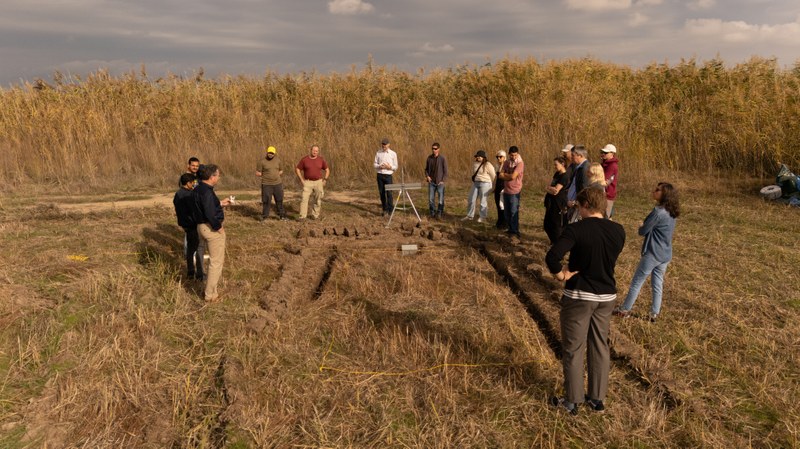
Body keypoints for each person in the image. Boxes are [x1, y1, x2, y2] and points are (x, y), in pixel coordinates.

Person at [545, 187, 626, 415]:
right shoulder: (618, 231)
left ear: (586, 205)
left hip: (580, 296)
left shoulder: (575, 230)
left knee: (573, 348)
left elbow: (552, 257)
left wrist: (561, 274)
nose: (578, 211)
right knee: (600, 346)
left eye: (579, 207)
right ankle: (597, 399)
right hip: (607, 297)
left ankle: (572, 401)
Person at [614, 182, 680, 322]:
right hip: (666, 254)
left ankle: (624, 309)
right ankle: (654, 313)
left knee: (637, 282)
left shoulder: (658, 212)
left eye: (657, 190)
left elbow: (643, 231)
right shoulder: (672, 211)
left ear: (664, 195)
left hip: (653, 253)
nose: (654, 191)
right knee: (657, 284)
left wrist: (641, 226)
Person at [192, 164, 231, 302]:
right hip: (211, 228)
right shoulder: (207, 192)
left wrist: (219, 203)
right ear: (211, 176)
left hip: (200, 227)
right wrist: (219, 227)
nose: (219, 177)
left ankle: (212, 290)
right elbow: (209, 212)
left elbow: (205, 206)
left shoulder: (198, 188)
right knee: (216, 262)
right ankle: (210, 295)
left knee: (211, 260)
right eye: (218, 175)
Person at [173, 173, 204, 281]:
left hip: (184, 224)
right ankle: (200, 274)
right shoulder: (188, 195)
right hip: (191, 224)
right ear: (188, 183)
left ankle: (191, 271)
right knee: (198, 248)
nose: (194, 184)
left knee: (191, 249)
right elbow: (194, 210)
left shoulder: (178, 194)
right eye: (193, 182)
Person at [295, 145, 330, 221]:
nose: (315, 152)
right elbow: (297, 169)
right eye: (314, 150)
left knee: (318, 199)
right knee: (304, 199)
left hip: (318, 182)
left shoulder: (321, 160)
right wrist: (301, 179)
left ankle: (315, 215)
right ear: (311, 150)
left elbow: (327, 170)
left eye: (316, 151)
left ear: (318, 152)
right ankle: (302, 216)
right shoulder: (305, 160)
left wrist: (325, 180)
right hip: (307, 182)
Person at [462, 150, 496, 223]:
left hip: (485, 183)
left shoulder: (488, 164)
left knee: (483, 201)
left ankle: (482, 217)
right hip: (476, 183)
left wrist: (493, 185)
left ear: (484, 157)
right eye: (477, 156)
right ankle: (469, 216)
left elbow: (493, 175)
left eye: (479, 157)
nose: (478, 158)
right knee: (471, 199)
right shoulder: (475, 163)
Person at [499, 146, 524, 238]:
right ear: (509, 154)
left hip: (515, 191)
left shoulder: (520, 163)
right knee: (507, 212)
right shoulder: (506, 162)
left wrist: (505, 175)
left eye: (515, 155)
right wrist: (507, 176)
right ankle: (510, 229)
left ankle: (515, 231)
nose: (513, 157)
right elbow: (500, 174)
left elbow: (513, 177)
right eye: (512, 155)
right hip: (506, 190)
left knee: (514, 211)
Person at [256, 146, 286, 221]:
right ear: (267, 152)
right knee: (266, 201)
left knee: (279, 200)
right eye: (269, 153)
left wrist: (276, 175)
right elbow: (257, 172)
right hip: (266, 184)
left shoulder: (278, 160)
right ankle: (264, 217)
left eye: (272, 153)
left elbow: (281, 170)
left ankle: (282, 216)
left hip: (277, 184)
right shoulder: (262, 161)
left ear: (274, 153)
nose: (270, 154)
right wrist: (265, 175)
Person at [543, 155, 569, 244]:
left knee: (556, 225)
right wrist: (549, 188)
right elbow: (551, 186)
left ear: (562, 164)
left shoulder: (565, 176)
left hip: (558, 204)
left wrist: (547, 188)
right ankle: (553, 241)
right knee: (546, 224)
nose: (554, 167)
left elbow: (555, 191)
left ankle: (557, 243)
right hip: (551, 202)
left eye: (556, 165)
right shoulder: (557, 174)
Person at [374, 138, 398, 216]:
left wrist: (389, 167)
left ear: (388, 144)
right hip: (380, 175)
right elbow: (374, 164)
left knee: (389, 193)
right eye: (382, 144)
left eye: (385, 144)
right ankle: (385, 209)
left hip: (388, 175)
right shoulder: (378, 153)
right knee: (382, 193)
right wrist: (379, 166)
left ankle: (390, 210)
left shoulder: (393, 154)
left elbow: (396, 166)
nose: (383, 145)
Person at [565, 145, 589, 223]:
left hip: (578, 205)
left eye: (573, 155)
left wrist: (576, 203)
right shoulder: (579, 167)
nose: (571, 157)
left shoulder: (585, 168)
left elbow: (584, 189)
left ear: (580, 155)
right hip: (573, 204)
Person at [424, 142, 448, 219]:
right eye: (432, 149)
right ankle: (432, 213)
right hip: (431, 182)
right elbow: (426, 169)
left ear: (438, 149)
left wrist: (443, 180)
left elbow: (445, 171)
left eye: (435, 149)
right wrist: (427, 176)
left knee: (441, 199)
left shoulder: (442, 158)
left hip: (440, 182)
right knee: (431, 199)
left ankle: (440, 212)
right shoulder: (429, 158)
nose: (434, 150)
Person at [600, 144, 619, 219]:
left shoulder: (612, 165)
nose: (603, 154)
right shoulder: (605, 163)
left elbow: (604, 180)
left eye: (605, 153)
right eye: (602, 152)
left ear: (612, 154)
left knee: (605, 217)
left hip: (608, 194)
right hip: (604, 193)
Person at [494, 150, 507, 229]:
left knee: (502, 206)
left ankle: (504, 223)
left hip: (504, 188)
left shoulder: (506, 166)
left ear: (504, 157)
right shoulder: (497, 166)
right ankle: (499, 222)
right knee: (498, 205)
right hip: (498, 188)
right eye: (497, 157)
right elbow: (497, 178)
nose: (498, 158)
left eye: (500, 157)